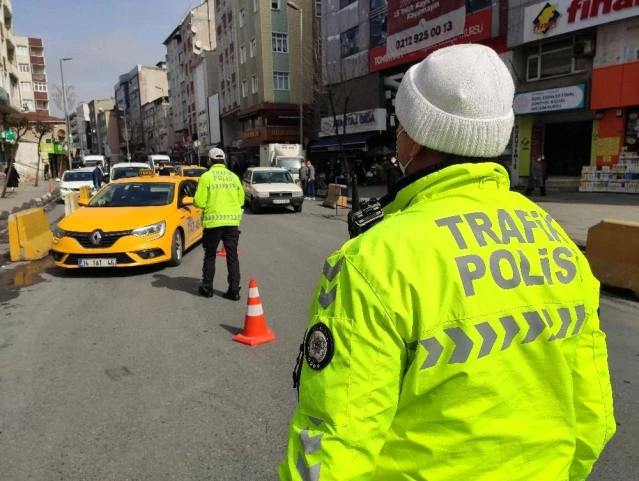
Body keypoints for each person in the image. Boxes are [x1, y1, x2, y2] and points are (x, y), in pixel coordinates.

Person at [280, 44, 615, 480]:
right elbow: (593, 411)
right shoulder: (556, 241)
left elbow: (333, 441)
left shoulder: (374, 260)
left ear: (415, 138)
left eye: (400, 125)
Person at [193, 147, 244, 300]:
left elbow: (199, 201)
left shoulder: (206, 177)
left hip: (213, 224)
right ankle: (234, 291)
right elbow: (241, 200)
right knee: (232, 256)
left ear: (209, 160)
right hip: (232, 223)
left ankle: (207, 288)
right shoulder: (234, 177)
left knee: (210, 256)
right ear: (224, 160)